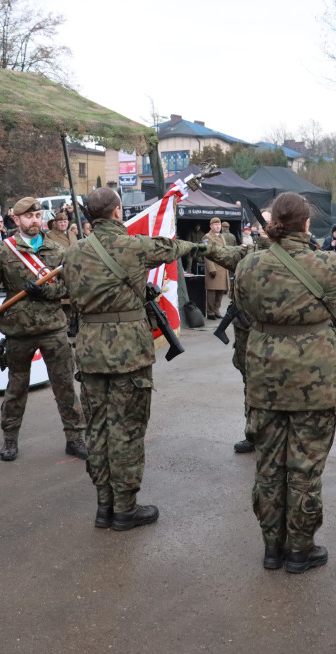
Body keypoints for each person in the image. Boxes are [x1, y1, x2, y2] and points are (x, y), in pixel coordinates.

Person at [233, 192, 336, 573]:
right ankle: (300, 550)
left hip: (264, 377)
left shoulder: (249, 264)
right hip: (316, 380)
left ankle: (272, 548)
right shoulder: (330, 263)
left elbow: (242, 306)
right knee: (305, 469)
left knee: (269, 468)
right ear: (307, 224)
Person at [60, 188, 203, 531]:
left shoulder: (73, 253)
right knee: (126, 429)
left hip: (90, 352)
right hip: (128, 353)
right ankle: (125, 509)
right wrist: (198, 245)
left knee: (97, 427)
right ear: (117, 212)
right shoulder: (135, 247)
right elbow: (173, 247)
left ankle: (103, 506)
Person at [0, 197, 87, 463]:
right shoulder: (3, 251)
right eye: (28, 216)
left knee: (64, 384)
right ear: (17, 220)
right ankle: (10, 439)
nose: (34, 220)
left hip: (53, 328)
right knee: (16, 387)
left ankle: (75, 437)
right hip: (18, 331)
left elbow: (70, 287)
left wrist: (47, 290)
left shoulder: (56, 249)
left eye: (37, 215)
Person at [206, 210, 272, 455]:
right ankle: (253, 432)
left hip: (271, 333)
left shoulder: (284, 253)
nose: (261, 227)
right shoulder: (248, 252)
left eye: (267, 223)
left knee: (272, 383)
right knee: (249, 383)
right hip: (245, 331)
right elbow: (224, 255)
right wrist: (201, 247)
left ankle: (272, 435)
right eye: (260, 223)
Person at [203, 217, 229, 319]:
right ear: (211, 226)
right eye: (215, 225)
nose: (218, 226)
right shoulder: (207, 237)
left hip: (223, 267)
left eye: (219, 225)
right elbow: (206, 254)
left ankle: (216, 310)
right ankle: (210, 312)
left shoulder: (222, 236)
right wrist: (211, 269)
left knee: (221, 291)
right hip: (214, 267)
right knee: (212, 292)